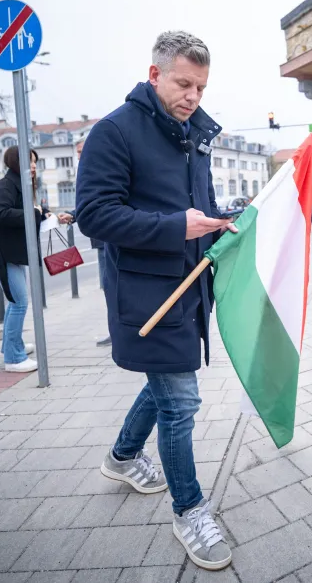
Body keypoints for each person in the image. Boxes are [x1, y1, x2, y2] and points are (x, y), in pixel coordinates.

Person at [75, 31, 234, 571]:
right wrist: (176, 226)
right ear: (154, 75)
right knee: (181, 401)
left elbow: (197, 206)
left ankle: (122, 458)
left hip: (190, 285)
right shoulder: (114, 132)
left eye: (201, 87)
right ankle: (188, 510)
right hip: (146, 293)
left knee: (164, 383)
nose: (193, 95)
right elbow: (93, 215)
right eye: (184, 83)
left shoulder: (194, 133)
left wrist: (220, 224)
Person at [0, 146, 70, 372]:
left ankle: (11, 346)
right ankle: (13, 359)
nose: (34, 166)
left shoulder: (18, 186)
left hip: (9, 250)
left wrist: (46, 213)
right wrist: (36, 212)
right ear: (16, 163)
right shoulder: (4, 187)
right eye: (30, 161)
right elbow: (3, 215)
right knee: (19, 303)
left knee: (15, 302)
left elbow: (26, 208)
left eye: (35, 161)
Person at [75, 139, 111, 347]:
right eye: (77, 151)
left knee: (111, 286)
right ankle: (115, 331)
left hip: (108, 239)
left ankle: (118, 331)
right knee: (107, 287)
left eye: (82, 150)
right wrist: (73, 215)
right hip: (99, 240)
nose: (80, 154)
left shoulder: (98, 165)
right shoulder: (88, 167)